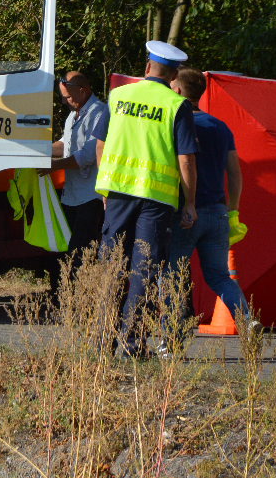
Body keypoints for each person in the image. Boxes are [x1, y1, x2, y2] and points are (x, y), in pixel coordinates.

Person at [92, 41, 199, 359]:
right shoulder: (176, 105)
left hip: (119, 195)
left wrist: (106, 186)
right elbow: (186, 162)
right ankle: (131, 345)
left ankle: (101, 342)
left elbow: (100, 145)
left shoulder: (118, 96)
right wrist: (190, 202)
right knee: (144, 271)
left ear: (147, 68)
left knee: (112, 268)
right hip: (156, 201)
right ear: (173, 74)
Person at [159, 67, 259, 352]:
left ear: (177, 91)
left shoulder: (175, 122)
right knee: (218, 276)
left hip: (185, 213)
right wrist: (233, 211)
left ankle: (170, 343)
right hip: (217, 213)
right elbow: (235, 173)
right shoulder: (220, 126)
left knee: (173, 275)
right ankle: (247, 321)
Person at [39, 71, 107, 276]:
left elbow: (88, 155)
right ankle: (64, 294)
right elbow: (65, 145)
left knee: (79, 251)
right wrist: (39, 150)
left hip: (90, 195)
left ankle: (78, 297)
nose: (63, 101)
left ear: (82, 91)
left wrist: (54, 166)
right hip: (71, 194)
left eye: (67, 97)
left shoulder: (98, 113)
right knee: (65, 248)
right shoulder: (73, 115)